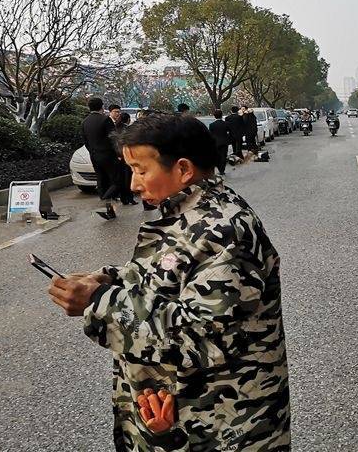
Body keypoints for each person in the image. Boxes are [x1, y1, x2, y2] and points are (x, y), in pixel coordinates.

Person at [46, 113, 290, 451]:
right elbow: (168, 276)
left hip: (221, 427)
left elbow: (204, 335)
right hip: (181, 416)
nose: (133, 184)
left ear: (184, 170)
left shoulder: (226, 230)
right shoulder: (187, 214)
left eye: (141, 171)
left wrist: (100, 301)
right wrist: (109, 278)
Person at [82, 97, 121, 218]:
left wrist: (93, 152)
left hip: (94, 155)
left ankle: (109, 211)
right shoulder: (106, 120)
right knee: (117, 180)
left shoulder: (85, 121)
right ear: (102, 107)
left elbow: (85, 141)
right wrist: (119, 153)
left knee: (102, 181)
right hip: (108, 155)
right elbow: (114, 138)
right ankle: (104, 201)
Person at [208, 109, 231, 175]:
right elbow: (229, 132)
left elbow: (210, 134)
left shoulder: (212, 125)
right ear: (222, 115)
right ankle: (222, 170)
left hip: (216, 143)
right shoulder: (226, 124)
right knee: (223, 156)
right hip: (224, 142)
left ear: (214, 116)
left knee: (217, 156)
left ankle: (219, 168)